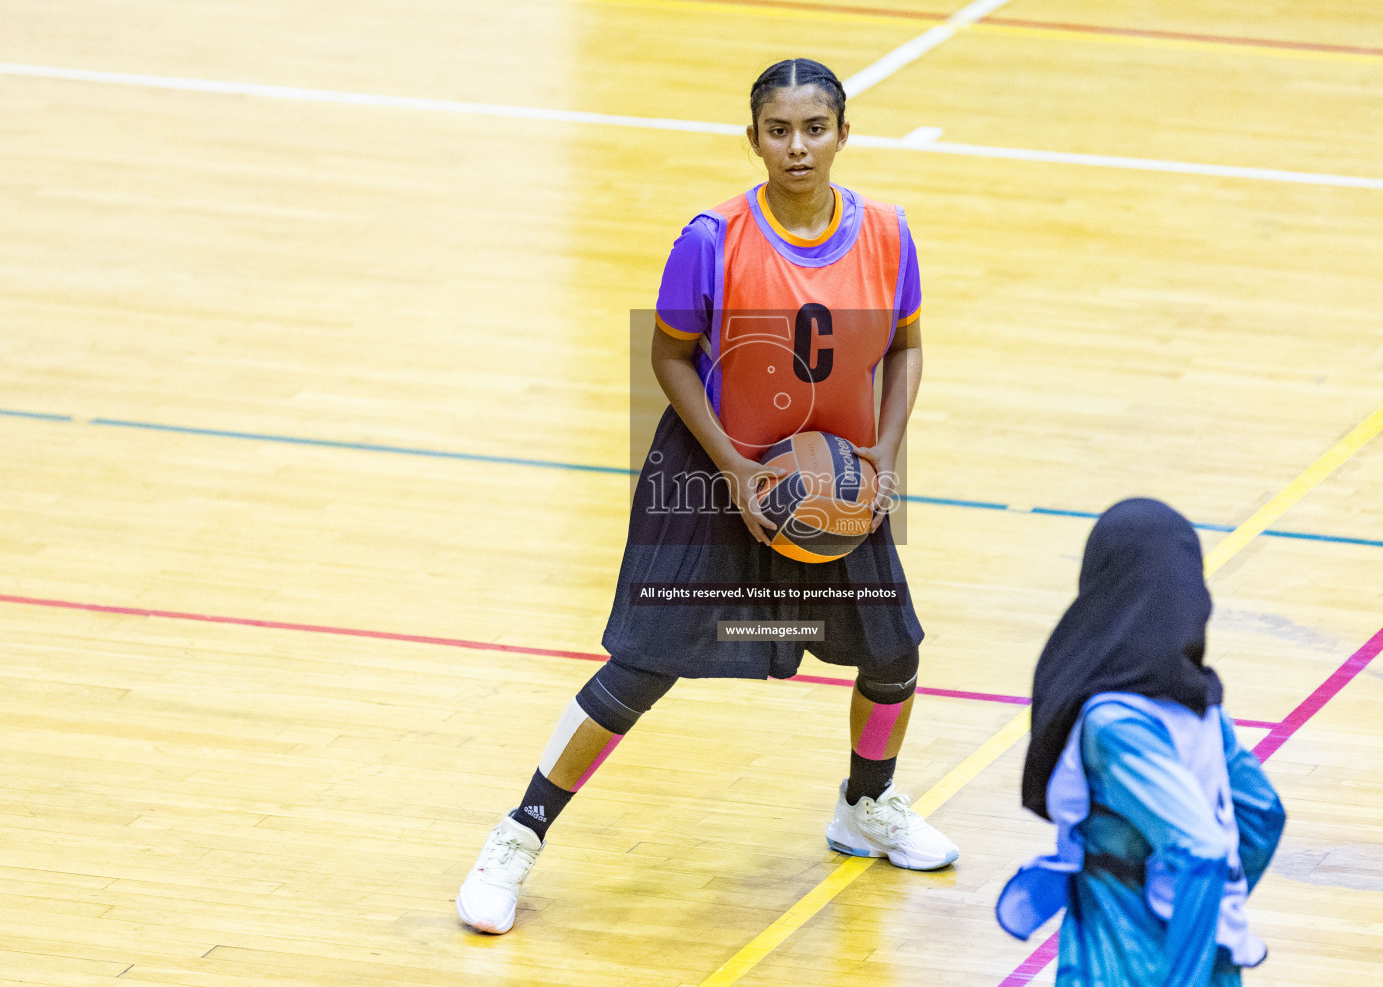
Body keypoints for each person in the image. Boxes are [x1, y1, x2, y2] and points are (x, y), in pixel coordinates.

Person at [456, 58, 957, 935]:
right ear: (753, 137)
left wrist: (881, 454)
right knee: (641, 666)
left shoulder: (889, 232)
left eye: (814, 129)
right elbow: (668, 357)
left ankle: (864, 807)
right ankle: (517, 837)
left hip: (833, 476)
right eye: (778, 130)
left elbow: (908, 347)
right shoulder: (711, 239)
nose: (797, 148)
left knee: (894, 655)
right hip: (714, 470)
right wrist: (733, 467)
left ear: (844, 134)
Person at [997, 499, 1286, 984]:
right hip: (1215, 961)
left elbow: (1204, 850)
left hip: (1122, 965)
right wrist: (1200, 912)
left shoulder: (1116, 725)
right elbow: (1262, 818)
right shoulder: (1201, 710)